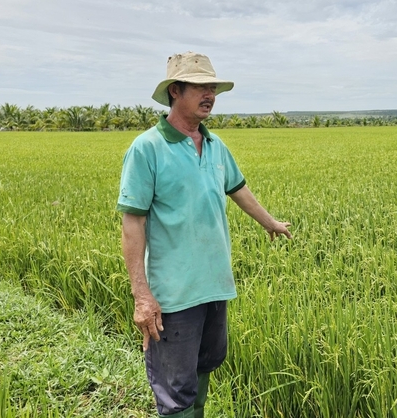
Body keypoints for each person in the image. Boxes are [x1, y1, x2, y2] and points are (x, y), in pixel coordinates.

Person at [117, 51, 292, 418]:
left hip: (214, 285)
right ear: (175, 91)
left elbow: (238, 188)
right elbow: (133, 222)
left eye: (211, 86)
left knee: (203, 368)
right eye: (199, 86)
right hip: (173, 295)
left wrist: (270, 222)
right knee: (174, 388)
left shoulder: (215, 145)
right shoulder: (147, 148)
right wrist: (142, 296)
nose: (209, 93)